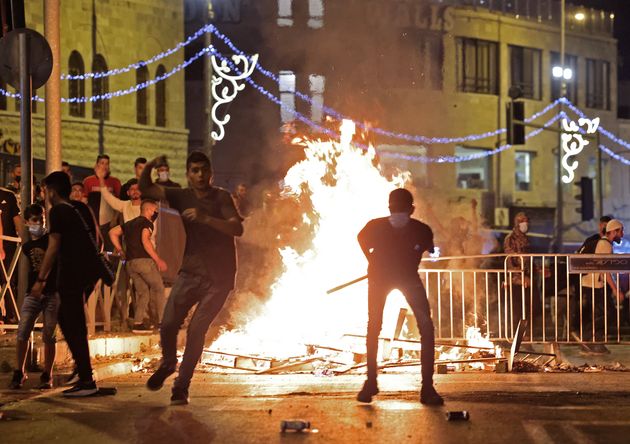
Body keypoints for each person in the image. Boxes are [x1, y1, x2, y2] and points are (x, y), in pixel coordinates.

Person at [140, 152, 243, 406]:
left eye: (203, 170)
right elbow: (146, 188)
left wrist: (206, 219)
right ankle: (168, 363)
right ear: (187, 174)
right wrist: (151, 165)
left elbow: (237, 228)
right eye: (194, 171)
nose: (199, 175)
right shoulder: (181, 195)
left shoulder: (221, 197)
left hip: (219, 277)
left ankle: (181, 387)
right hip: (191, 271)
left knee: (197, 330)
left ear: (211, 173)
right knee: (168, 324)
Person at [356, 188, 443, 405]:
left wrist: (372, 260)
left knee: (374, 327)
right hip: (402, 278)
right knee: (426, 327)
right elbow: (430, 249)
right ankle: (427, 388)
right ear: (412, 209)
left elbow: (361, 239)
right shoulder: (421, 230)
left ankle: (370, 383)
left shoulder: (374, 227)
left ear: (389, 207)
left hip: (383, 278)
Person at [31, 172, 99, 397]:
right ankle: (82, 371)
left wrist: (41, 280)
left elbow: (53, 246)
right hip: (87, 274)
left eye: (44, 191)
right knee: (67, 320)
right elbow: (97, 238)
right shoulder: (81, 209)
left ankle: (87, 380)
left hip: (70, 274)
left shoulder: (58, 211)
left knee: (73, 323)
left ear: (51, 191)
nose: (44, 195)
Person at [9, 204, 59, 390]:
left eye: (42, 219)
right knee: (23, 331)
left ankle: (48, 374)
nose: (39, 223)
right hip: (33, 293)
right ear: (28, 222)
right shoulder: (28, 244)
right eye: (35, 220)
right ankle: (19, 371)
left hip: (52, 292)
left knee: (49, 335)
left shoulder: (51, 240)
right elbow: (22, 230)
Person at [109, 200, 167, 331]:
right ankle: (163, 322)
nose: (156, 213)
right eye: (154, 210)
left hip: (130, 263)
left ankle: (138, 323)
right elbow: (145, 241)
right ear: (148, 210)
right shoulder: (147, 223)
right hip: (144, 262)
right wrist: (158, 260)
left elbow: (112, 232)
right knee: (159, 288)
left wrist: (120, 250)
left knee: (143, 293)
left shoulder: (129, 224)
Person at [579, 219, 625, 353]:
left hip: (592, 283)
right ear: (614, 231)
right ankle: (590, 341)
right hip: (594, 284)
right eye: (620, 231)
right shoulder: (605, 245)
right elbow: (604, 270)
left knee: (602, 313)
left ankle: (590, 341)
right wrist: (615, 289)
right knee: (605, 313)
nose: (622, 234)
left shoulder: (604, 243)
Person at [83, 154, 122, 245]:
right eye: (102, 163)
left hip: (110, 222)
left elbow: (118, 203)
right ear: (97, 165)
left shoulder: (115, 181)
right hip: (93, 221)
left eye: (107, 164)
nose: (104, 166)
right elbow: (85, 202)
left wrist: (115, 219)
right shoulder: (88, 181)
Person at [0, 184, 23, 323]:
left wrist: (23, 241)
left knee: (7, 280)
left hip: (8, 247)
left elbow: (17, 221)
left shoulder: (8, 195)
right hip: (4, 245)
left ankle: (10, 316)